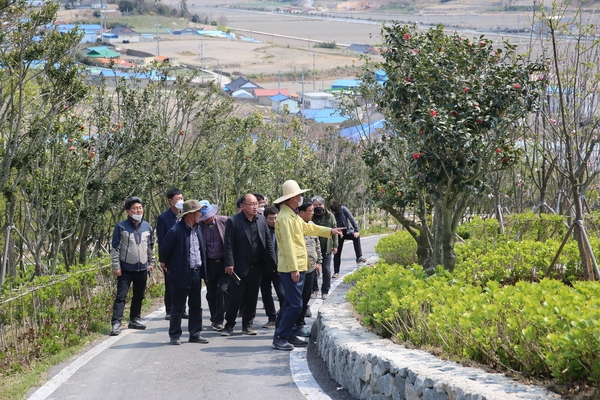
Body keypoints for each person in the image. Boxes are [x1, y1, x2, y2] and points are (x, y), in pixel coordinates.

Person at [272, 180, 343, 351]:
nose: (301, 197)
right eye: (298, 195)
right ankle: (280, 336)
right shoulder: (285, 218)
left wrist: (329, 231)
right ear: (292, 198)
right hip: (291, 268)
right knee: (295, 304)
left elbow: (308, 229)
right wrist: (294, 268)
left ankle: (288, 334)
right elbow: (288, 245)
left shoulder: (293, 215)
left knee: (292, 303)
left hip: (299, 266)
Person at [222, 194, 277, 336]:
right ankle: (229, 325)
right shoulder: (233, 221)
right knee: (236, 297)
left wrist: (272, 261)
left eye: (256, 204)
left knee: (252, 297)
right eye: (252, 204)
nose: (255, 207)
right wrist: (229, 263)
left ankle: (247, 325)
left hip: (257, 266)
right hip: (238, 267)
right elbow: (228, 244)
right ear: (243, 206)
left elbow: (268, 242)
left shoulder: (261, 220)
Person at [159, 200, 209, 345]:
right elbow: (164, 251)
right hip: (180, 274)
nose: (201, 214)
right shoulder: (176, 231)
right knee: (178, 307)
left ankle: (195, 333)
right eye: (198, 212)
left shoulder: (198, 229)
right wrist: (172, 267)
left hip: (196, 273)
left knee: (196, 306)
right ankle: (174, 335)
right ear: (190, 214)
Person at [109, 197, 155, 336]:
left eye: (140, 208)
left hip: (142, 268)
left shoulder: (147, 227)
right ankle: (116, 322)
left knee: (139, 295)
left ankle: (134, 319)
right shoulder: (121, 227)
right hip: (125, 269)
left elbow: (151, 247)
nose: (138, 210)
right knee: (121, 296)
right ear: (128, 211)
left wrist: (151, 263)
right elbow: (115, 248)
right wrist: (116, 267)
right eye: (135, 208)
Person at [198, 200, 229, 331]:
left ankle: (219, 319)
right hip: (208, 263)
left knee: (222, 290)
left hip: (223, 262)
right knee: (211, 293)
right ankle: (214, 318)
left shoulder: (225, 221)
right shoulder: (198, 225)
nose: (207, 220)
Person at [156, 188, 186, 321]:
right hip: (171, 256)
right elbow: (162, 239)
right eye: (177, 199)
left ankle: (182, 309)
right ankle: (170, 310)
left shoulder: (186, 214)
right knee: (170, 284)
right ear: (170, 201)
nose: (180, 201)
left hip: (184, 255)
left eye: (181, 198)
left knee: (184, 284)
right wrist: (163, 259)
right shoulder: (163, 218)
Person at [295, 200, 322, 337]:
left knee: (305, 299)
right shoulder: (295, 226)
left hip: (311, 267)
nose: (313, 213)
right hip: (298, 269)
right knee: (295, 300)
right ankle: (290, 325)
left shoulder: (311, 225)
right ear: (301, 212)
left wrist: (319, 262)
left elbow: (317, 245)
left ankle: (299, 324)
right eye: (310, 211)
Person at [260, 206, 285, 328]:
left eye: (275, 218)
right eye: (270, 218)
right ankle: (272, 318)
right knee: (266, 294)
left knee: (282, 294)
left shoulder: (282, 229)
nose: (273, 221)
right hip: (264, 268)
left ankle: (282, 317)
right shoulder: (261, 231)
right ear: (265, 218)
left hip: (280, 268)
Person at [311, 195, 338, 300]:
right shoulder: (311, 215)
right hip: (313, 248)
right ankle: (314, 289)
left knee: (326, 270)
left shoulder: (330, 216)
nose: (317, 207)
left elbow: (334, 230)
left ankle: (325, 291)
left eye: (319, 205)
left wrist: (335, 245)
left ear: (324, 205)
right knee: (312, 270)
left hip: (326, 247)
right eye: (315, 205)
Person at [331, 201, 366, 278]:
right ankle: (336, 272)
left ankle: (359, 257)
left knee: (356, 237)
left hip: (347, 231)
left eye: (338, 211)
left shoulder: (343, 209)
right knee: (337, 253)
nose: (337, 213)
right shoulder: (331, 215)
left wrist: (356, 230)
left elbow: (352, 219)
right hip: (338, 234)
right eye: (335, 212)